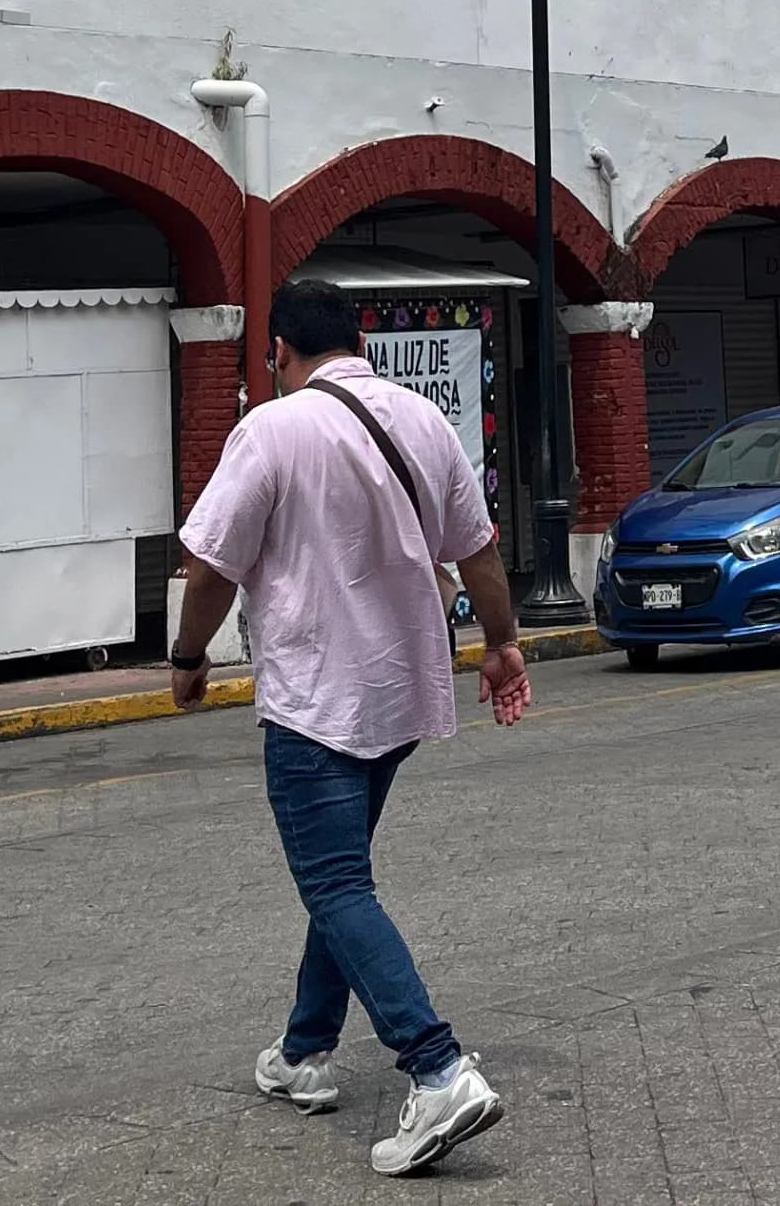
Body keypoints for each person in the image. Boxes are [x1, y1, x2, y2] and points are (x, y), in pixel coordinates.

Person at [170, 282, 526, 1178]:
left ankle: (437, 1067)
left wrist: (186, 654)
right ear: (357, 340)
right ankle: (302, 1053)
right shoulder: (423, 419)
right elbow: (477, 548)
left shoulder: (273, 429)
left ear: (280, 351)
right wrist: (504, 645)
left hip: (314, 700)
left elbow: (211, 562)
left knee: (334, 884)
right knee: (342, 878)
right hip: (398, 693)